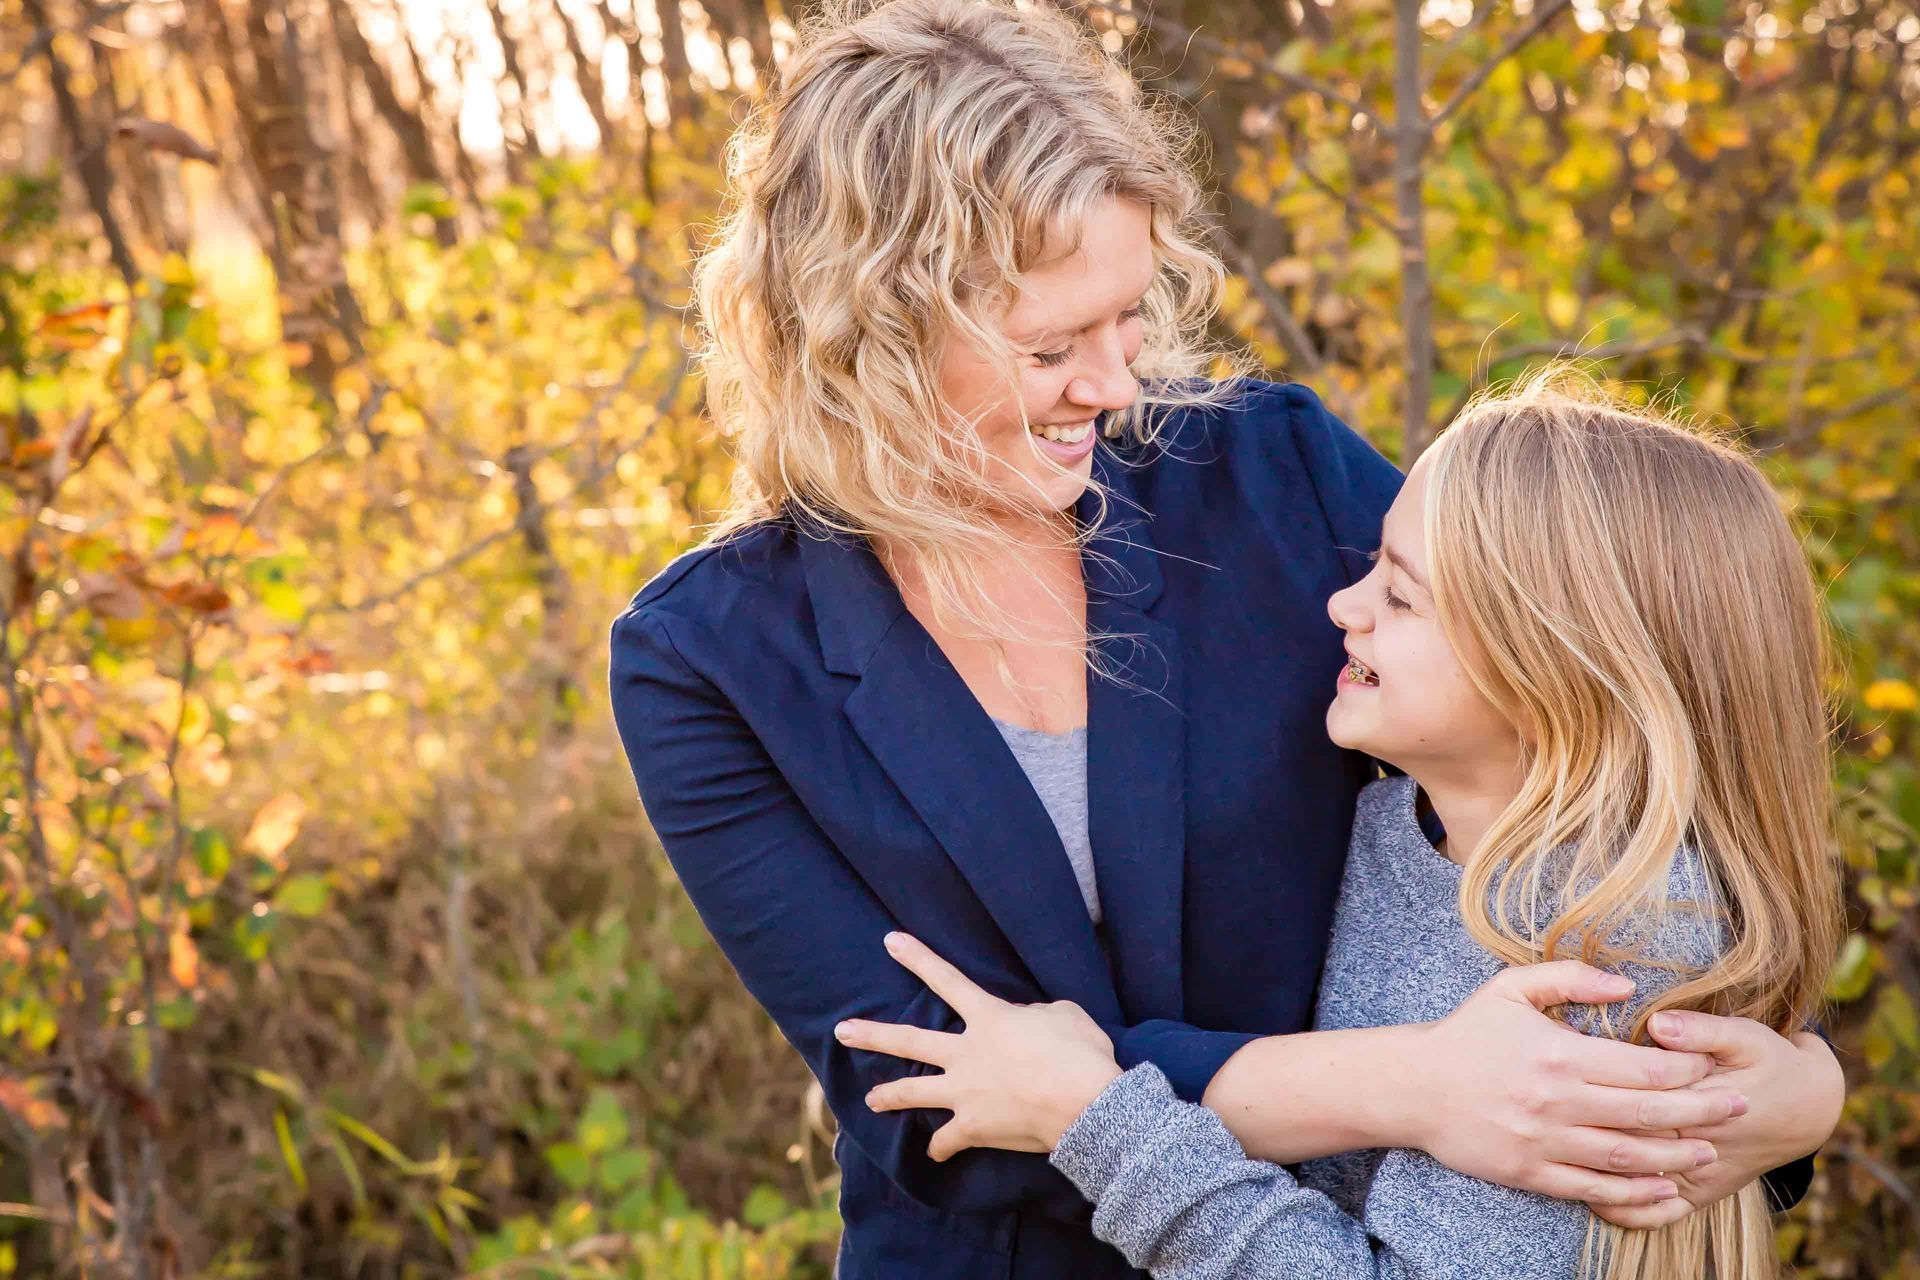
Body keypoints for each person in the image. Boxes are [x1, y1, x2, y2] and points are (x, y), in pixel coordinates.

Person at [605, 2, 1841, 1275]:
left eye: (1128, 317)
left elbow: (1594, 734)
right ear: (871, 334)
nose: (1116, 384)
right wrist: (1414, 1083)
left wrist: (1802, 1085)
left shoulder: (1269, 471)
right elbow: (949, 1108)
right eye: (1051, 345)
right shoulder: (708, 660)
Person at [835, 368, 1844, 1278]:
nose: (1341, 605)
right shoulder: (1395, 824)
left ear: (1557, 670)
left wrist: (1095, 1117)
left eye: (1399, 596)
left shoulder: (1599, 948)